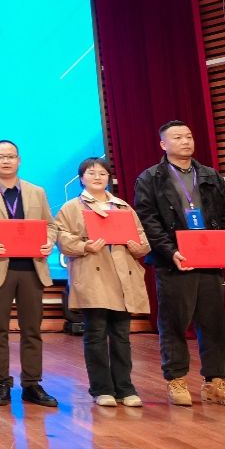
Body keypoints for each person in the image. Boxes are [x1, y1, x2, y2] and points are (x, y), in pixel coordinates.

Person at [133, 119, 225, 408]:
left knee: (215, 323)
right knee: (174, 323)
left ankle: (216, 383)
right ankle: (176, 380)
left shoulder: (210, 175)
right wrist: (170, 251)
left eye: (188, 136)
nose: (185, 141)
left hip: (210, 259)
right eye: (177, 137)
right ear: (163, 144)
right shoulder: (151, 177)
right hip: (175, 261)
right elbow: (148, 219)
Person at [0, 140, 58, 408]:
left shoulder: (36, 191)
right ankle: (1, 383)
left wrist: (48, 241)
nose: (6, 161)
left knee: (32, 329)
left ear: (19, 160)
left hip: (31, 268)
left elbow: (51, 226)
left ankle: (32, 384)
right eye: (0, 156)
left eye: (11, 156)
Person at [53, 157, 150, 407]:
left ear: (109, 178)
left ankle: (125, 388)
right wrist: (84, 245)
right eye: (91, 173)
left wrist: (135, 245)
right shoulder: (71, 208)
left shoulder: (123, 207)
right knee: (95, 333)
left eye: (102, 173)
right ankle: (102, 388)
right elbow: (61, 238)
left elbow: (143, 241)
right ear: (81, 178)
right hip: (92, 275)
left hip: (122, 276)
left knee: (121, 335)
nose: (97, 177)